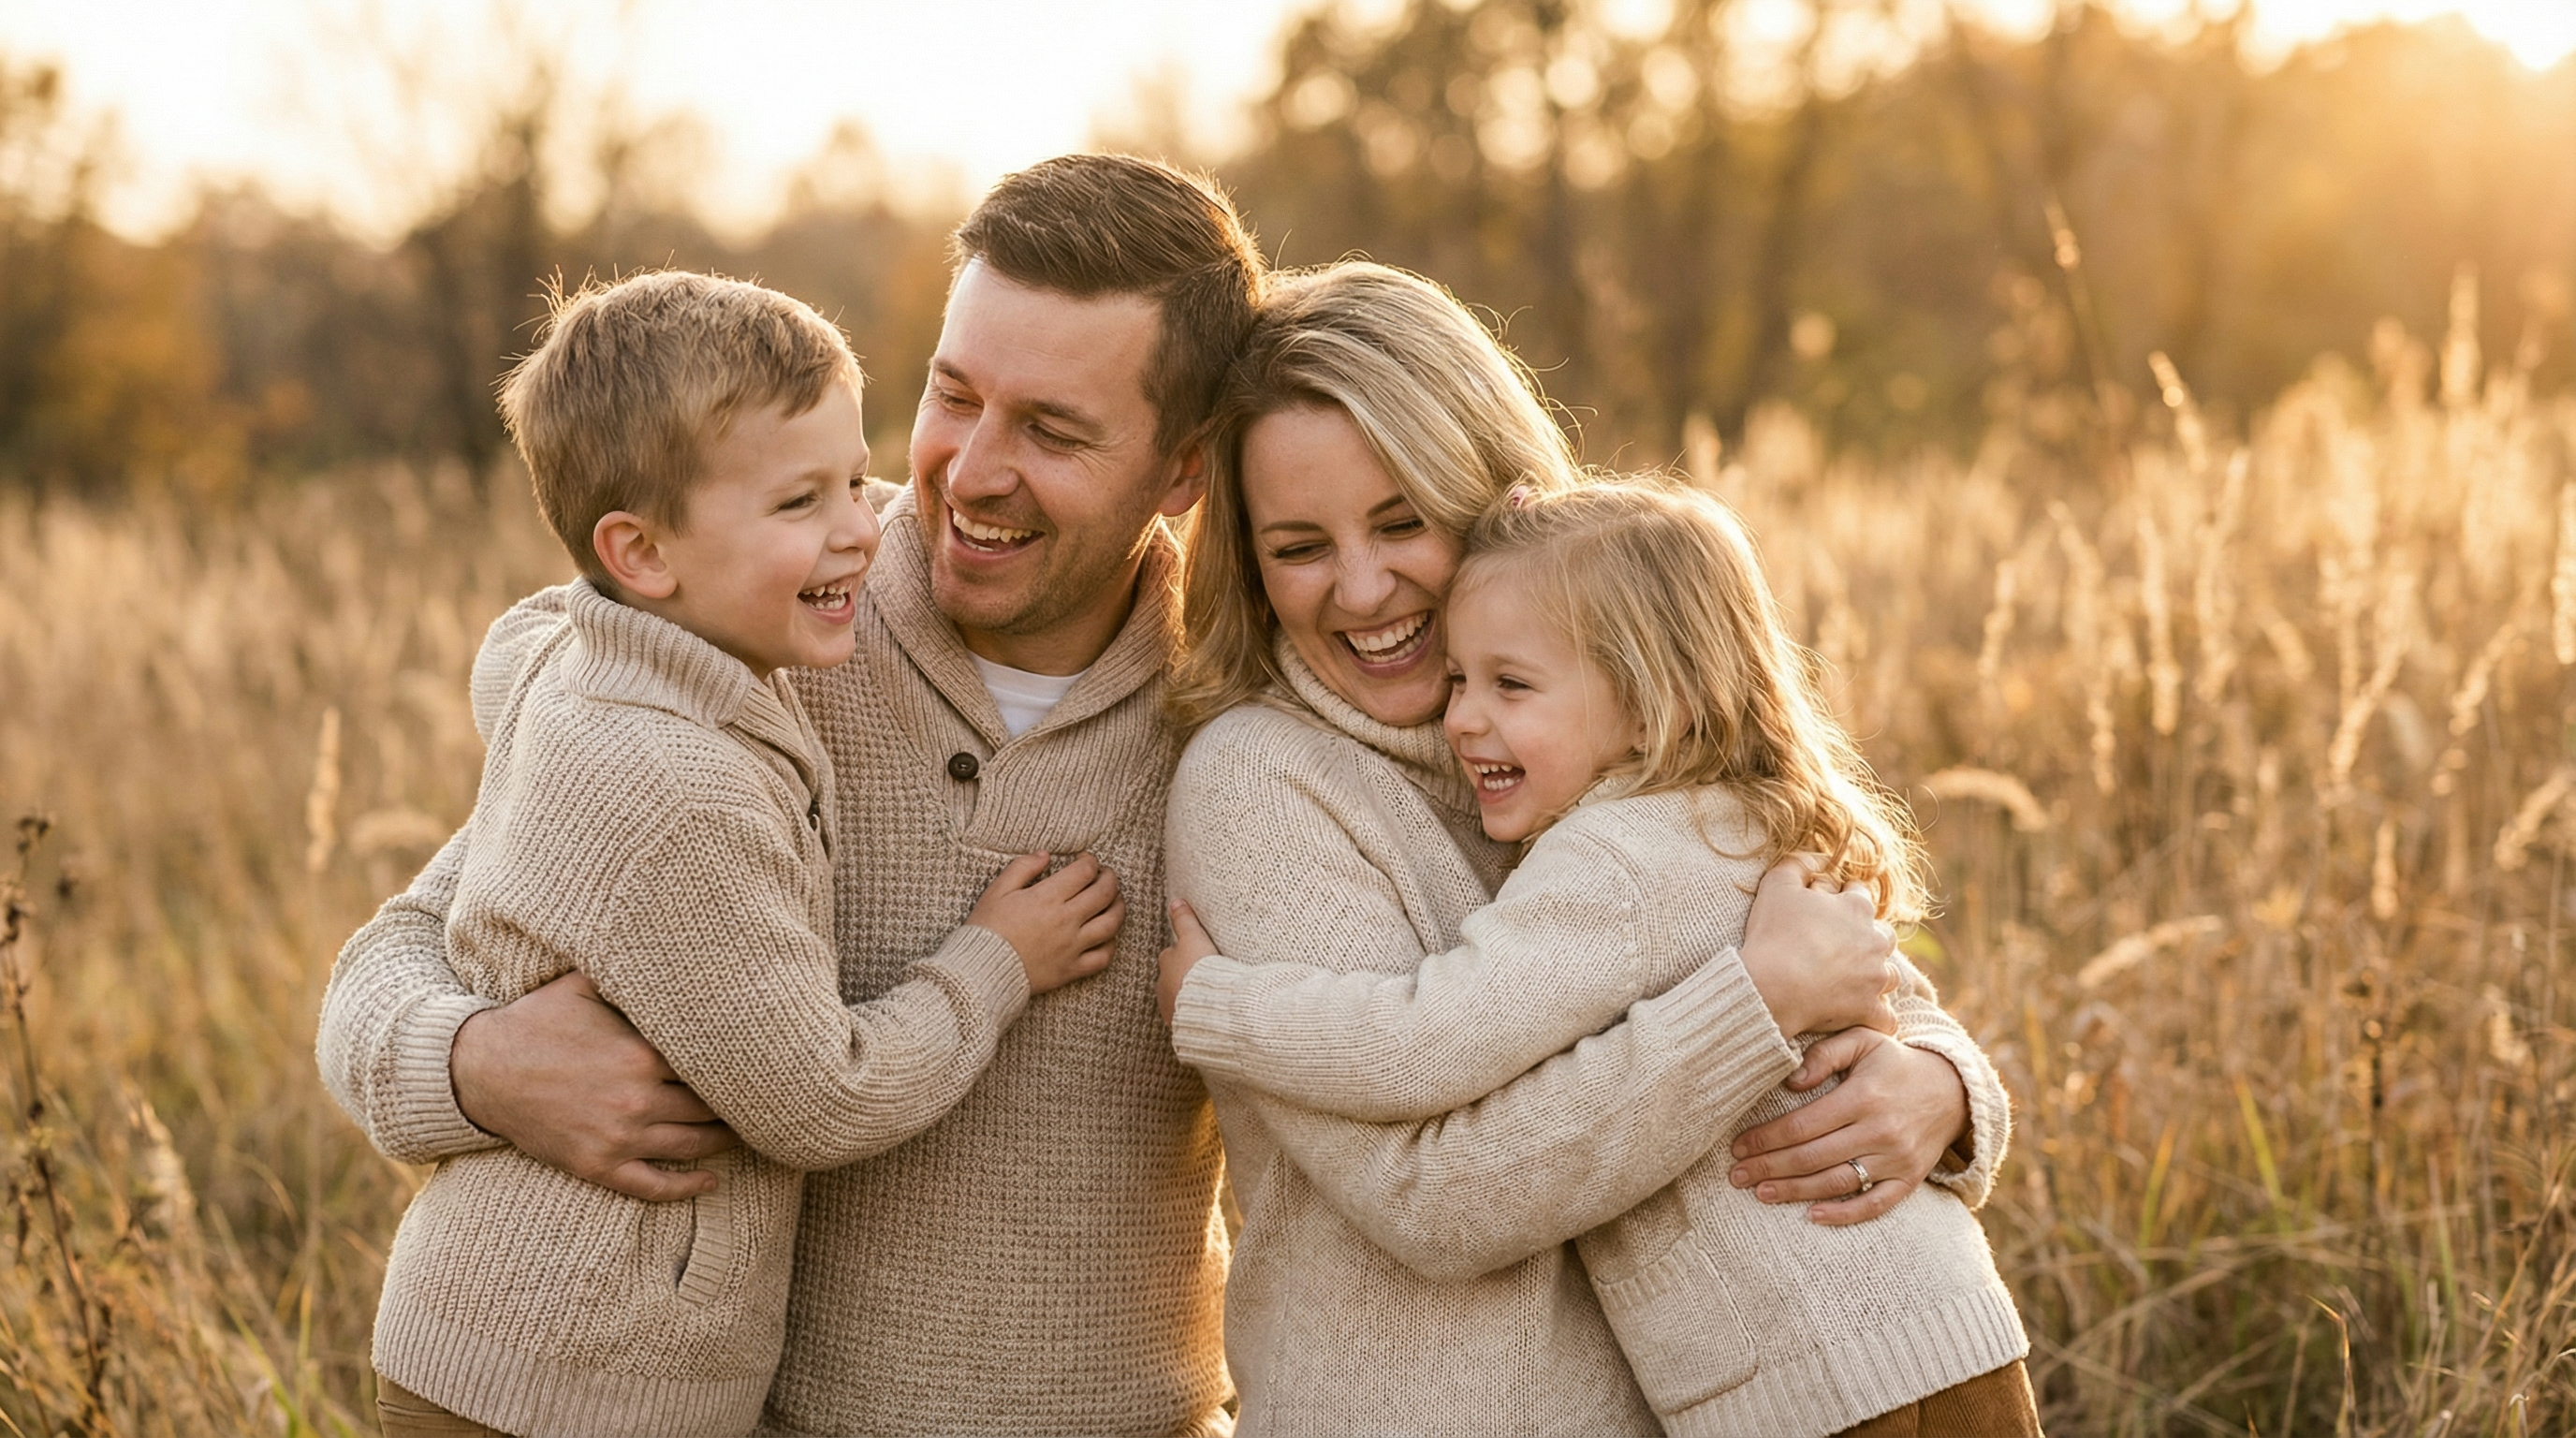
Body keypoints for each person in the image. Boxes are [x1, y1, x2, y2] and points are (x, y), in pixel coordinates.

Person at [323, 155, 1261, 1434]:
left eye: (1051, 430)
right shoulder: (750, 626)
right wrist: (475, 1066)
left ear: (1185, 470)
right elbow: (399, 950)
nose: (972, 472)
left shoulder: (1245, 720)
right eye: (953, 394)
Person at [1153, 261, 2014, 1434]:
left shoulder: (1615, 732)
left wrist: (1941, 1090)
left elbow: (1864, 976)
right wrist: (1750, 1002)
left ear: (1501, 497)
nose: (1362, 588)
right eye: (1300, 546)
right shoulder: (1261, 780)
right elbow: (1433, 1194)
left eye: (1403, 520)